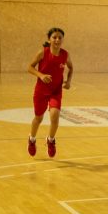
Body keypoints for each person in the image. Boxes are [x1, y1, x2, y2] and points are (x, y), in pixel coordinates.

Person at [26, 28, 73, 158]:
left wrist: (68, 81)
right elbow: (29, 67)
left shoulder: (65, 55)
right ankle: (32, 139)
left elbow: (71, 68)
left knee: (55, 116)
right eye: (54, 37)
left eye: (60, 37)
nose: (57, 40)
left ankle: (50, 140)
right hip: (41, 90)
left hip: (56, 91)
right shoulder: (43, 53)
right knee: (39, 118)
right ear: (49, 39)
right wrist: (40, 75)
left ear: (63, 40)